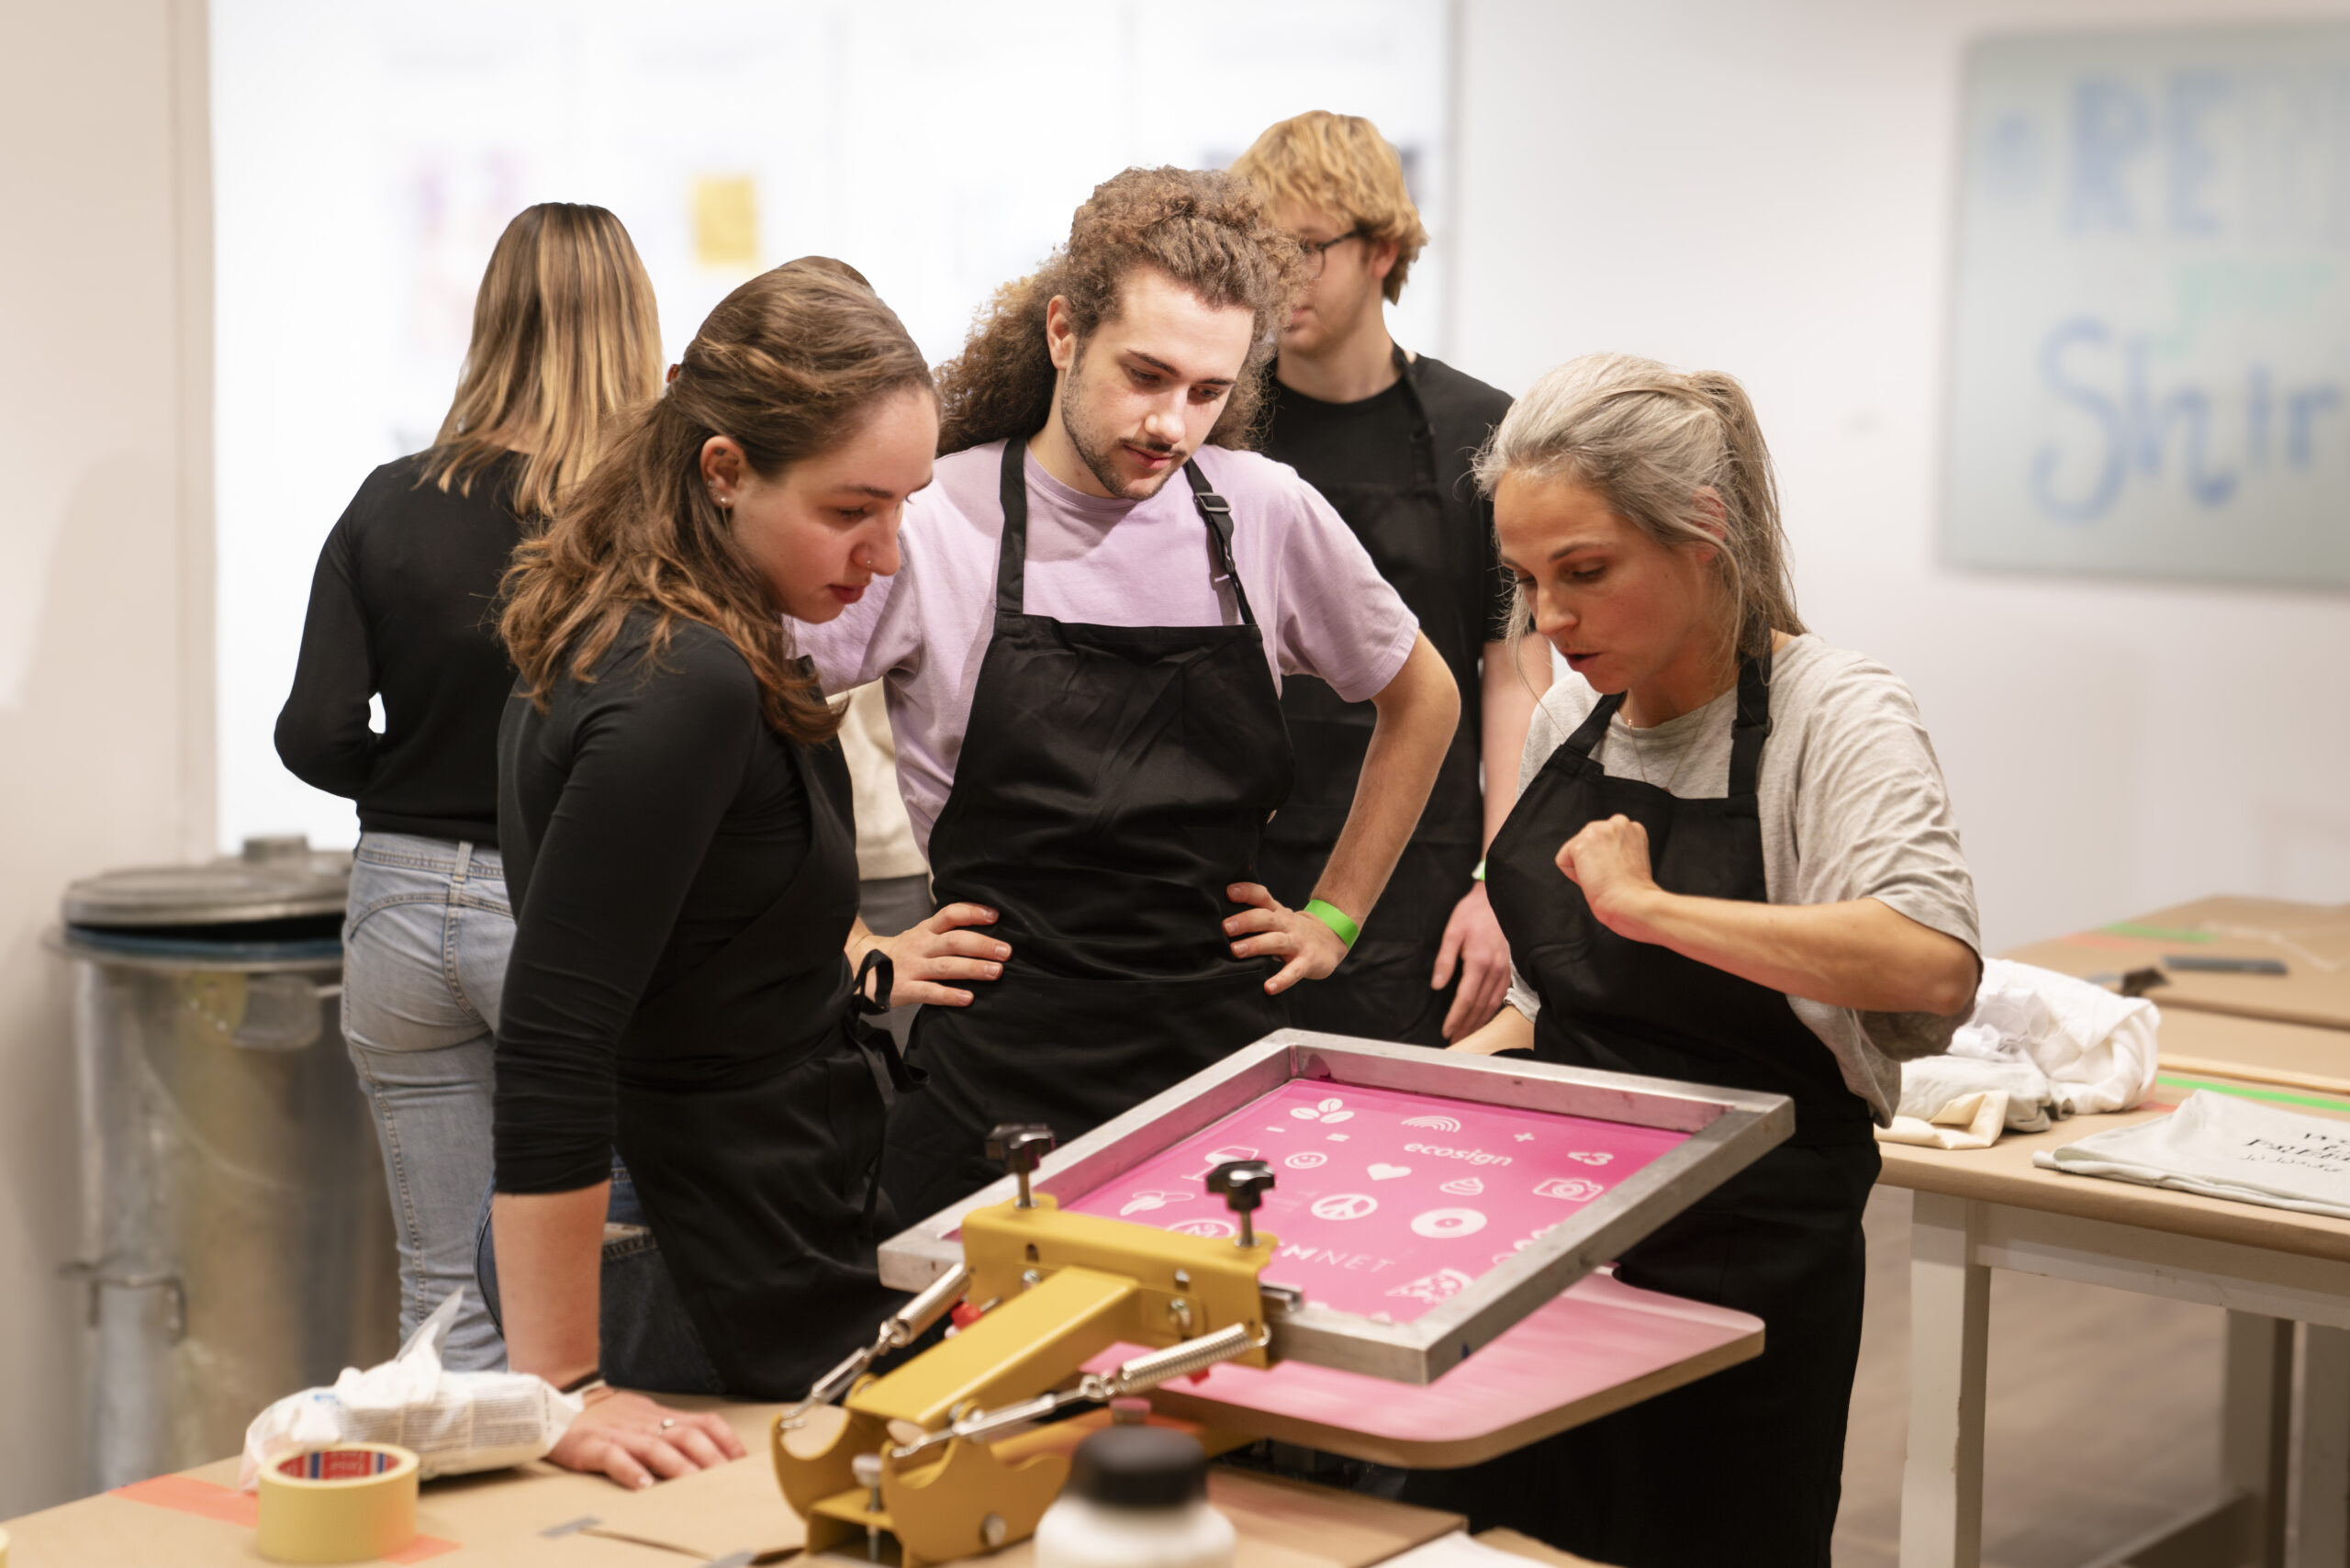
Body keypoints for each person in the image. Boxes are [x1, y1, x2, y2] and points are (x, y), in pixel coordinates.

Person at [790, 168, 1460, 1223]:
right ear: (1064, 332)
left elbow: (1424, 697)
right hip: (998, 1075)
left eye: (1207, 392)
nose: (1171, 424)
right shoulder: (941, 518)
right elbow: (763, 708)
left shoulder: (1265, 510)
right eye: (1144, 375)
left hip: (1221, 1069)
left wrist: (1335, 913)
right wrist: (851, 946)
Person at [1411, 353, 1982, 1566]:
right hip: (1559, 1225)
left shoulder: (1837, 714)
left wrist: (1655, 906)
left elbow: (1929, 963)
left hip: (1751, 1246)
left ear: (1701, 534)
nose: (1551, 624)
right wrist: (1419, 1107)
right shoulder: (1577, 719)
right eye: (1525, 583)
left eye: (1586, 574)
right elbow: (1545, 1008)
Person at [488, 260, 988, 1487]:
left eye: (906, 504)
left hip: (738, 1214)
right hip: (682, 1238)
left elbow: (697, 915)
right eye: (849, 509)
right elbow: (555, 1036)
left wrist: (857, 961)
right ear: (723, 470)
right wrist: (560, 1385)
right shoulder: (679, 681)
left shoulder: (679, 627)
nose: (885, 554)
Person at [274, 203, 661, 1369]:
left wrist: (418, 784)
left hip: (395, 910)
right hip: (566, 909)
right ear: (634, 325)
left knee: (449, 1303)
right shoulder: (639, 513)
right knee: (618, 1279)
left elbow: (313, 732)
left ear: (490, 322)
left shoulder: (389, 497)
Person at [1230, 111, 1550, 1047]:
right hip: (1242, 864)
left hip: (1421, 868)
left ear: (1382, 248)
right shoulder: (1219, 428)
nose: (1277, 281)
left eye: (1306, 250)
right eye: (1261, 255)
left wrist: (1500, 884)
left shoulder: (1477, 431)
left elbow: (1513, 677)